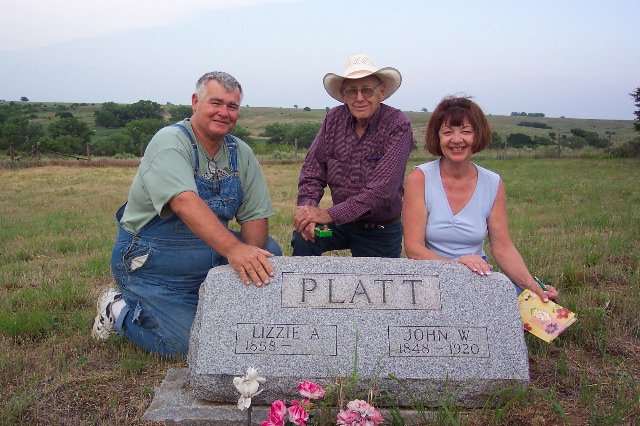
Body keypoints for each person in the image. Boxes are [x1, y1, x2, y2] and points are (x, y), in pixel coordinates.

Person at [91, 71, 282, 356]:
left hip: (208, 256)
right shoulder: (170, 142)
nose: (224, 113)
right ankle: (117, 308)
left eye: (232, 106)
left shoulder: (241, 153)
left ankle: (216, 301)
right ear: (195, 102)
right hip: (153, 263)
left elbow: (254, 216)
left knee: (267, 250)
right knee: (189, 345)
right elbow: (184, 202)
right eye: (216, 103)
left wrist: (248, 268)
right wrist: (234, 250)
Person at [402, 96, 558, 302]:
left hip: (478, 274)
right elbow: (414, 249)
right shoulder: (419, 178)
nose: (457, 140)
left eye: (466, 131)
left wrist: (531, 285)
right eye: (448, 132)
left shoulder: (493, 183)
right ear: (437, 138)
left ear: (477, 136)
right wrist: (459, 264)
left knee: (541, 306)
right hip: (431, 276)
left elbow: (503, 247)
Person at [292, 53, 414, 258]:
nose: (359, 98)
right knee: (306, 236)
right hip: (338, 226)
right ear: (344, 94)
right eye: (352, 91)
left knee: (378, 286)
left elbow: (382, 191)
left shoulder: (397, 124)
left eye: (367, 90)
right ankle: (301, 289)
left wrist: (327, 214)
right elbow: (313, 170)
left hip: (378, 231)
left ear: (381, 92)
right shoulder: (333, 118)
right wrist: (308, 210)